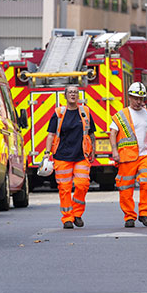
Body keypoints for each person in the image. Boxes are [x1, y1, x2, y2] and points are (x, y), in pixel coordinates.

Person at [110, 82, 147, 228]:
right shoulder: (121, 115)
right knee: (125, 188)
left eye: (141, 99)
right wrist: (114, 151)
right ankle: (129, 216)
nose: (138, 102)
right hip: (126, 156)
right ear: (129, 97)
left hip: (144, 155)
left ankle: (145, 213)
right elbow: (113, 133)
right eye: (135, 98)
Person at [43, 84, 96, 229]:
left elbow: (91, 133)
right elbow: (51, 135)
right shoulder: (59, 113)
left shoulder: (85, 111)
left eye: (75, 92)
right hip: (62, 156)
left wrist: (93, 150)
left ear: (78, 95)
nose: (73, 94)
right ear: (65, 95)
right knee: (65, 189)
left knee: (82, 184)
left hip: (81, 155)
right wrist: (47, 153)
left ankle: (77, 214)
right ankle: (67, 218)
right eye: (70, 92)